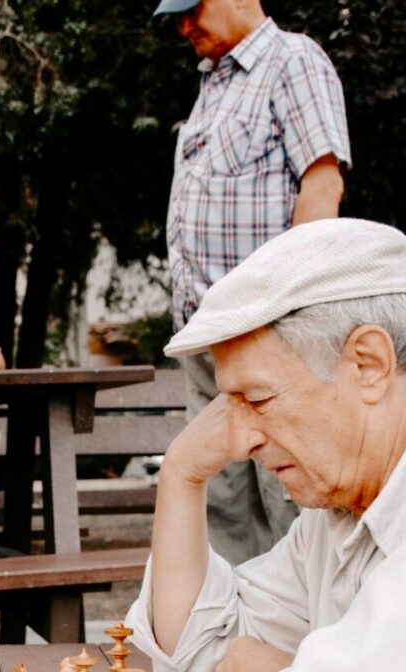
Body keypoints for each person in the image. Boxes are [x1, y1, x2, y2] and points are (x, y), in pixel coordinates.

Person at [125, 218, 406, 672]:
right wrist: (180, 476)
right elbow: (194, 655)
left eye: (258, 399)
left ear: (367, 364)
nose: (242, 437)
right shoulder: (337, 517)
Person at [154, 0, 351, 564]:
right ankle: (236, 642)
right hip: (204, 334)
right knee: (221, 501)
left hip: (268, 329)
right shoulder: (213, 83)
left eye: (192, 8)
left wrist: (288, 309)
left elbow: (322, 184)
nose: (183, 24)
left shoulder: (293, 61)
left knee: (288, 494)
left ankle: (306, 645)